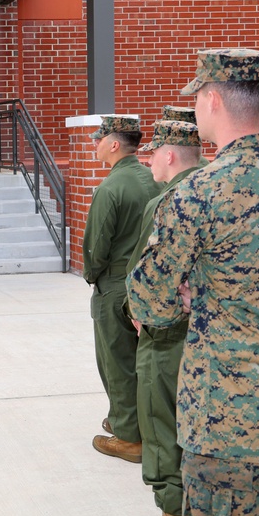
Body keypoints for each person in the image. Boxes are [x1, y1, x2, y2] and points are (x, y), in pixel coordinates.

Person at [128, 49, 259, 516]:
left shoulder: (199, 191)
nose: (196, 107)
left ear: (214, 99)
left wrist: (187, 295)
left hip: (229, 423)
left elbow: (145, 302)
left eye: (197, 97)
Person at [119, 120, 202, 516]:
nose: (147, 158)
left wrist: (134, 309)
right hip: (203, 339)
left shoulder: (172, 200)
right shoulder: (214, 189)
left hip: (166, 338)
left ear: (170, 155)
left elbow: (147, 279)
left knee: (162, 429)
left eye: (154, 151)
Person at [84, 115, 160, 464]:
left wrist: (92, 277)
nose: (94, 143)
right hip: (152, 282)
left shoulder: (111, 188)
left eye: (99, 138)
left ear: (114, 144)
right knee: (145, 362)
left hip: (115, 283)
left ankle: (129, 435)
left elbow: (96, 247)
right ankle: (137, 423)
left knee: (117, 362)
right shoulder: (154, 178)